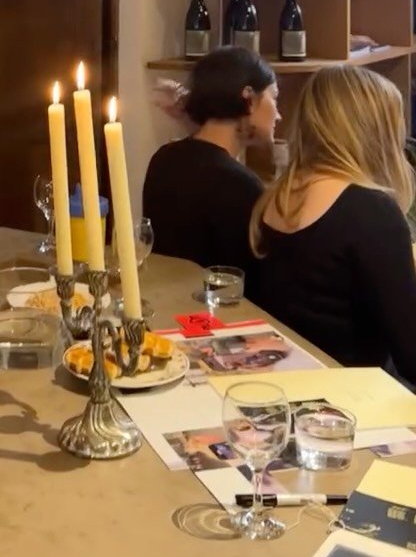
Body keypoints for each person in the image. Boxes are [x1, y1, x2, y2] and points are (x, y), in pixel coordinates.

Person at [250, 65, 416, 383]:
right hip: (356, 393)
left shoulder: (275, 197)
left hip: (294, 380)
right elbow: (412, 356)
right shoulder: (372, 211)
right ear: (376, 133)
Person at [143, 47, 279, 279]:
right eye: (274, 97)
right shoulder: (241, 186)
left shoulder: (163, 160)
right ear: (249, 99)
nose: (278, 114)